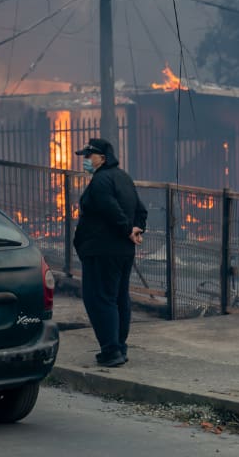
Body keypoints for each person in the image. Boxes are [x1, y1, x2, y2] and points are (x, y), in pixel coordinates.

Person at [72, 137, 148, 368]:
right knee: (119, 298)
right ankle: (119, 347)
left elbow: (109, 208)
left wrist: (127, 229)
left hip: (101, 251)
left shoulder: (101, 181)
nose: (85, 160)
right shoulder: (124, 178)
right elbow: (141, 210)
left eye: (89, 156)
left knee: (100, 299)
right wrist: (136, 229)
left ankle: (111, 349)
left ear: (102, 158)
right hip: (123, 252)